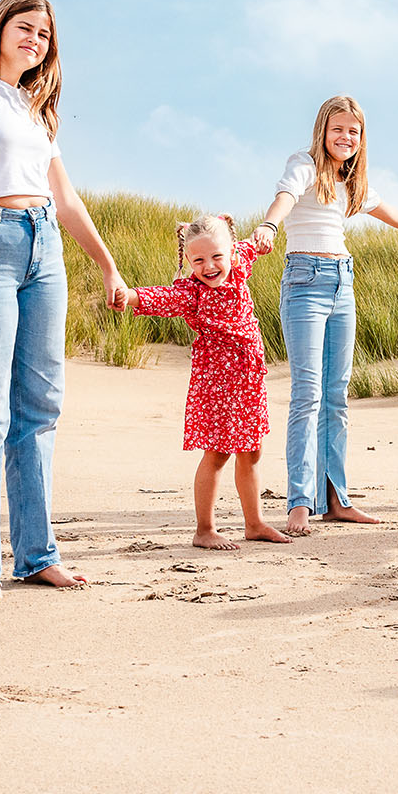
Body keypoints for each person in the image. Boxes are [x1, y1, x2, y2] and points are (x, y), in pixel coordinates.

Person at [0, 0, 131, 604]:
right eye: (25, 26)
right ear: (0, 28)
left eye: (45, 34)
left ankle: (37, 556)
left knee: (40, 408)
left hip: (44, 250)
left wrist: (109, 267)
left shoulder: (36, 112)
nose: (35, 39)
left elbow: (65, 199)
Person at [254, 96, 398, 537]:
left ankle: (335, 499)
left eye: (354, 131)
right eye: (338, 129)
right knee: (307, 393)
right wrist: (269, 226)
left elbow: (386, 211)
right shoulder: (305, 164)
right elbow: (285, 197)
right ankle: (298, 502)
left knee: (337, 396)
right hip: (304, 280)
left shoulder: (353, 180)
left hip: (343, 281)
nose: (345, 137)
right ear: (322, 131)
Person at [122, 215, 290, 550]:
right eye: (198, 260)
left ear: (230, 252)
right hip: (216, 382)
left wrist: (265, 236)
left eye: (216, 257)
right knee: (217, 454)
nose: (209, 266)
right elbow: (158, 298)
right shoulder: (191, 293)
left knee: (252, 452)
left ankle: (254, 523)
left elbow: (256, 246)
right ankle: (204, 529)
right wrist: (127, 296)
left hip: (249, 378)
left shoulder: (240, 263)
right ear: (187, 261)